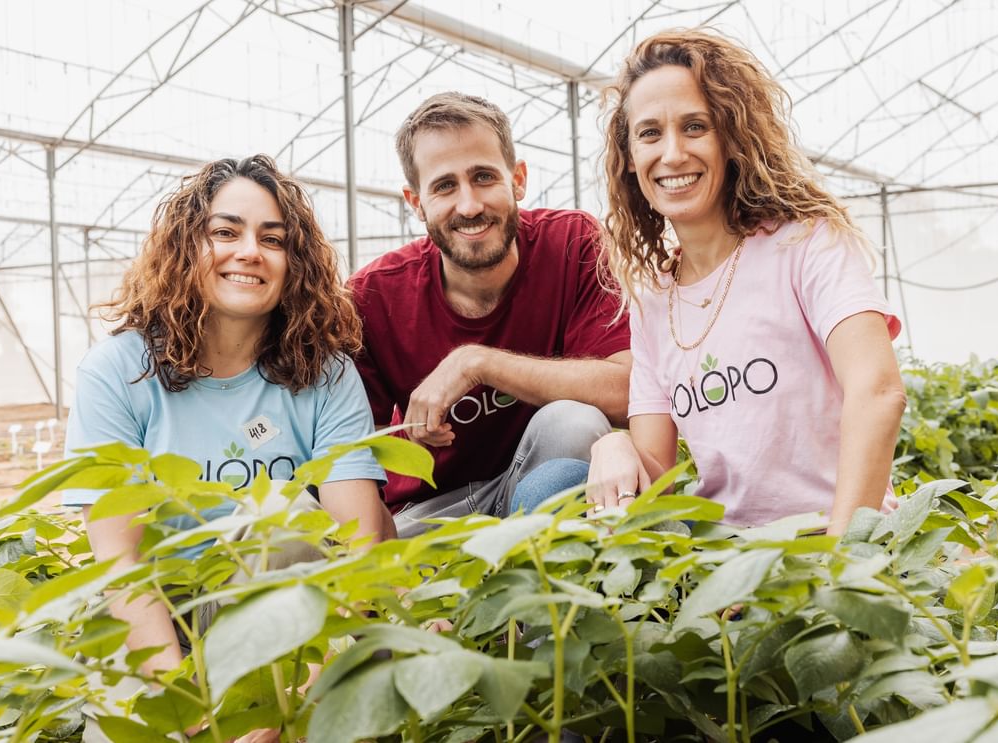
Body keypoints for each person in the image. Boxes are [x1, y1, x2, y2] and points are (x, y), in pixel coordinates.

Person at [63, 155, 392, 741]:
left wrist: (290, 704)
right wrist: (194, 714)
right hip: (160, 619)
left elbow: (357, 545)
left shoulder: (327, 374)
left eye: (273, 239)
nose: (249, 252)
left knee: (287, 522)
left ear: (295, 264)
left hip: (290, 625)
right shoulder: (117, 371)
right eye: (225, 232)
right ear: (186, 247)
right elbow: (121, 565)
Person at [588, 30, 906, 536]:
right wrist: (613, 444)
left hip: (836, 543)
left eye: (695, 127)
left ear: (732, 137)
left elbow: (879, 391)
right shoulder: (653, 301)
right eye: (649, 133)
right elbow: (656, 477)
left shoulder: (805, 244)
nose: (672, 153)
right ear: (628, 156)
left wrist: (842, 557)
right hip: (728, 562)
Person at [349, 92, 631, 537]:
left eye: (483, 177)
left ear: (518, 180)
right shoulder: (373, 295)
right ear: (416, 202)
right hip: (432, 509)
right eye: (444, 186)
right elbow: (349, 449)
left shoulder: (572, 243)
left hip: (535, 482)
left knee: (575, 422)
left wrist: (477, 362)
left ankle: (540, 564)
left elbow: (629, 391)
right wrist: (406, 437)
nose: (469, 206)